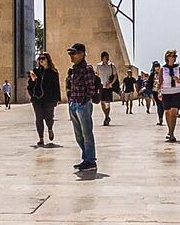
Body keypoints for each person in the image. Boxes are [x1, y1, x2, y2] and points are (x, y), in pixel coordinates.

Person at [66, 43, 101, 171]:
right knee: (78, 134)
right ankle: (86, 158)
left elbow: (91, 89)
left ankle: (91, 161)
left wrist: (83, 102)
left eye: (74, 53)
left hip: (83, 105)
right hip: (74, 104)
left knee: (87, 133)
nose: (71, 56)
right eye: (70, 54)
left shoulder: (87, 69)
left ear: (82, 54)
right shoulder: (74, 69)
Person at [28, 51, 62, 147]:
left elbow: (56, 86)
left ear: (48, 60)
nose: (41, 60)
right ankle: (41, 138)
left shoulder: (53, 72)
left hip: (49, 99)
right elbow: (30, 85)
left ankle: (50, 128)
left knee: (49, 117)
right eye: (39, 59)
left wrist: (57, 99)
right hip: (37, 99)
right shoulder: (36, 71)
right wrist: (33, 80)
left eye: (43, 58)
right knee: (39, 118)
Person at [155, 50, 180, 142]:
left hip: (176, 92)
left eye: (174, 56)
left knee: (174, 112)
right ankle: (169, 131)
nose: (173, 57)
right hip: (166, 92)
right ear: (167, 57)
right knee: (167, 112)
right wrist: (159, 92)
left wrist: (178, 80)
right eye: (171, 56)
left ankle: (172, 133)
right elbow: (160, 82)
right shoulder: (163, 69)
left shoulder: (179, 69)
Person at [95, 51, 117, 125]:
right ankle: (107, 116)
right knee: (102, 103)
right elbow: (97, 75)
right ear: (102, 58)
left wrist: (111, 83)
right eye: (106, 57)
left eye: (108, 57)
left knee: (107, 103)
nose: (107, 59)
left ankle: (106, 117)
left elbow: (115, 76)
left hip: (108, 87)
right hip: (101, 87)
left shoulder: (112, 65)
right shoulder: (98, 66)